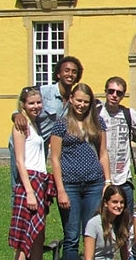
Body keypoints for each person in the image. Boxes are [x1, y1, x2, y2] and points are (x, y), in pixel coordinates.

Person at [51, 83, 111, 260]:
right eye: (78, 100)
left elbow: (103, 153)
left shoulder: (97, 122)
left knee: (91, 234)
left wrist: (107, 181)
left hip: (94, 184)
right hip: (71, 186)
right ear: (71, 100)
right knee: (71, 236)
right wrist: (60, 189)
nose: (81, 105)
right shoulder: (61, 125)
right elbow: (55, 159)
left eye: (86, 102)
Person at [7, 86, 62, 260]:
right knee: (24, 240)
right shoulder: (20, 126)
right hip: (28, 183)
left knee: (37, 237)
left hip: (39, 181)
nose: (36, 106)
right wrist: (29, 191)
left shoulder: (36, 125)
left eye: (38, 102)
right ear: (23, 105)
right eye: (31, 103)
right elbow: (20, 160)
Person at [10, 56, 83, 185]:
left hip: (42, 145)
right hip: (25, 142)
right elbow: (25, 100)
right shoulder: (44, 91)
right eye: (66, 70)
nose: (70, 74)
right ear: (58, 74)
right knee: (19, 184)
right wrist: (17, 115)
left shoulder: (73, 100)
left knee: (37, 181)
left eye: (74, 71)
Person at [99, 76, 136, 216]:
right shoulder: (97, 113)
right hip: (101, 177)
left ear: (123, 95)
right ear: (105, 92)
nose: (114, 95)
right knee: (102, 217)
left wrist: (135, 138)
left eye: (119, 93)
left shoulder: (128, 114)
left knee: (126, 219)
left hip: (124, 178)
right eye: (111, 91)